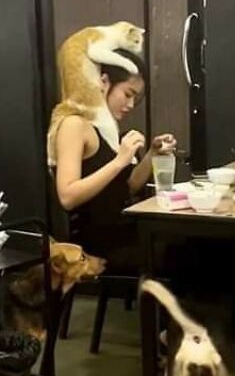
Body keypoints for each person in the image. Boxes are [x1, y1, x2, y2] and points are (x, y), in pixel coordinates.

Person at [54, 49, 176, 272]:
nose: (130, 105)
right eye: (128, 94)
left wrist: (152, 154)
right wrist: (119, 160)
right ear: (104, 82)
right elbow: (67, 197)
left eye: (135, 98)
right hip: (99, 246)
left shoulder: (107, 127)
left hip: (127, 232)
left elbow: (127, 188)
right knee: (186, 253)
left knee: (194, 244)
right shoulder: (74, 124)